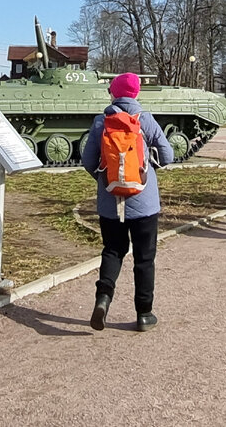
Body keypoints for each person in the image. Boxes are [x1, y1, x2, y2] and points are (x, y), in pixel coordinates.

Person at [81, 72, 175, 332]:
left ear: (113, 93)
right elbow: (168, 156)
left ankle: (103, 299)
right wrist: (146, 167)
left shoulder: (101, 122)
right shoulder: (146, 120)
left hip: (110, 204)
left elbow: (88, 162)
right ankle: (144, 314)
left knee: (113, 250)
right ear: (136, 94)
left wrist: (106, 182)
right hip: (144, 204)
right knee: (144, 258)